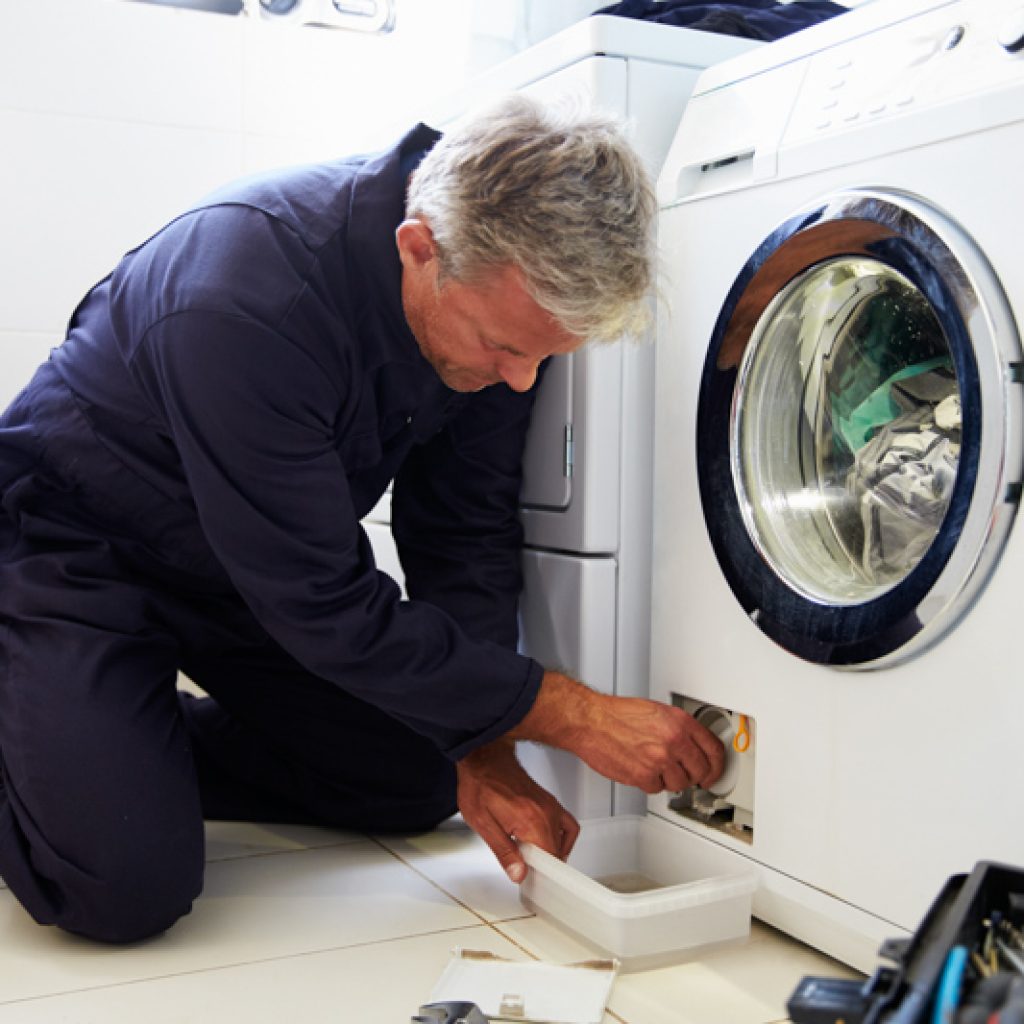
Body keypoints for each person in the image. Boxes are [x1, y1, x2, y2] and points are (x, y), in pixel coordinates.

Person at [0, 95, 724, 945]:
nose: (524, 381)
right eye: (505, 348)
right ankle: (57, 738)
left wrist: (485, 746)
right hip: (70, 551)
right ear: (420, 249)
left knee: (420, 773)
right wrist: (568, 710)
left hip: (239, 572)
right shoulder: (245, 294)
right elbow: (320, 603)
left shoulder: (494, 317)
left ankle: (108, 746)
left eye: (546, 355)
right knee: (120, 888)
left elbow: (463, 532)